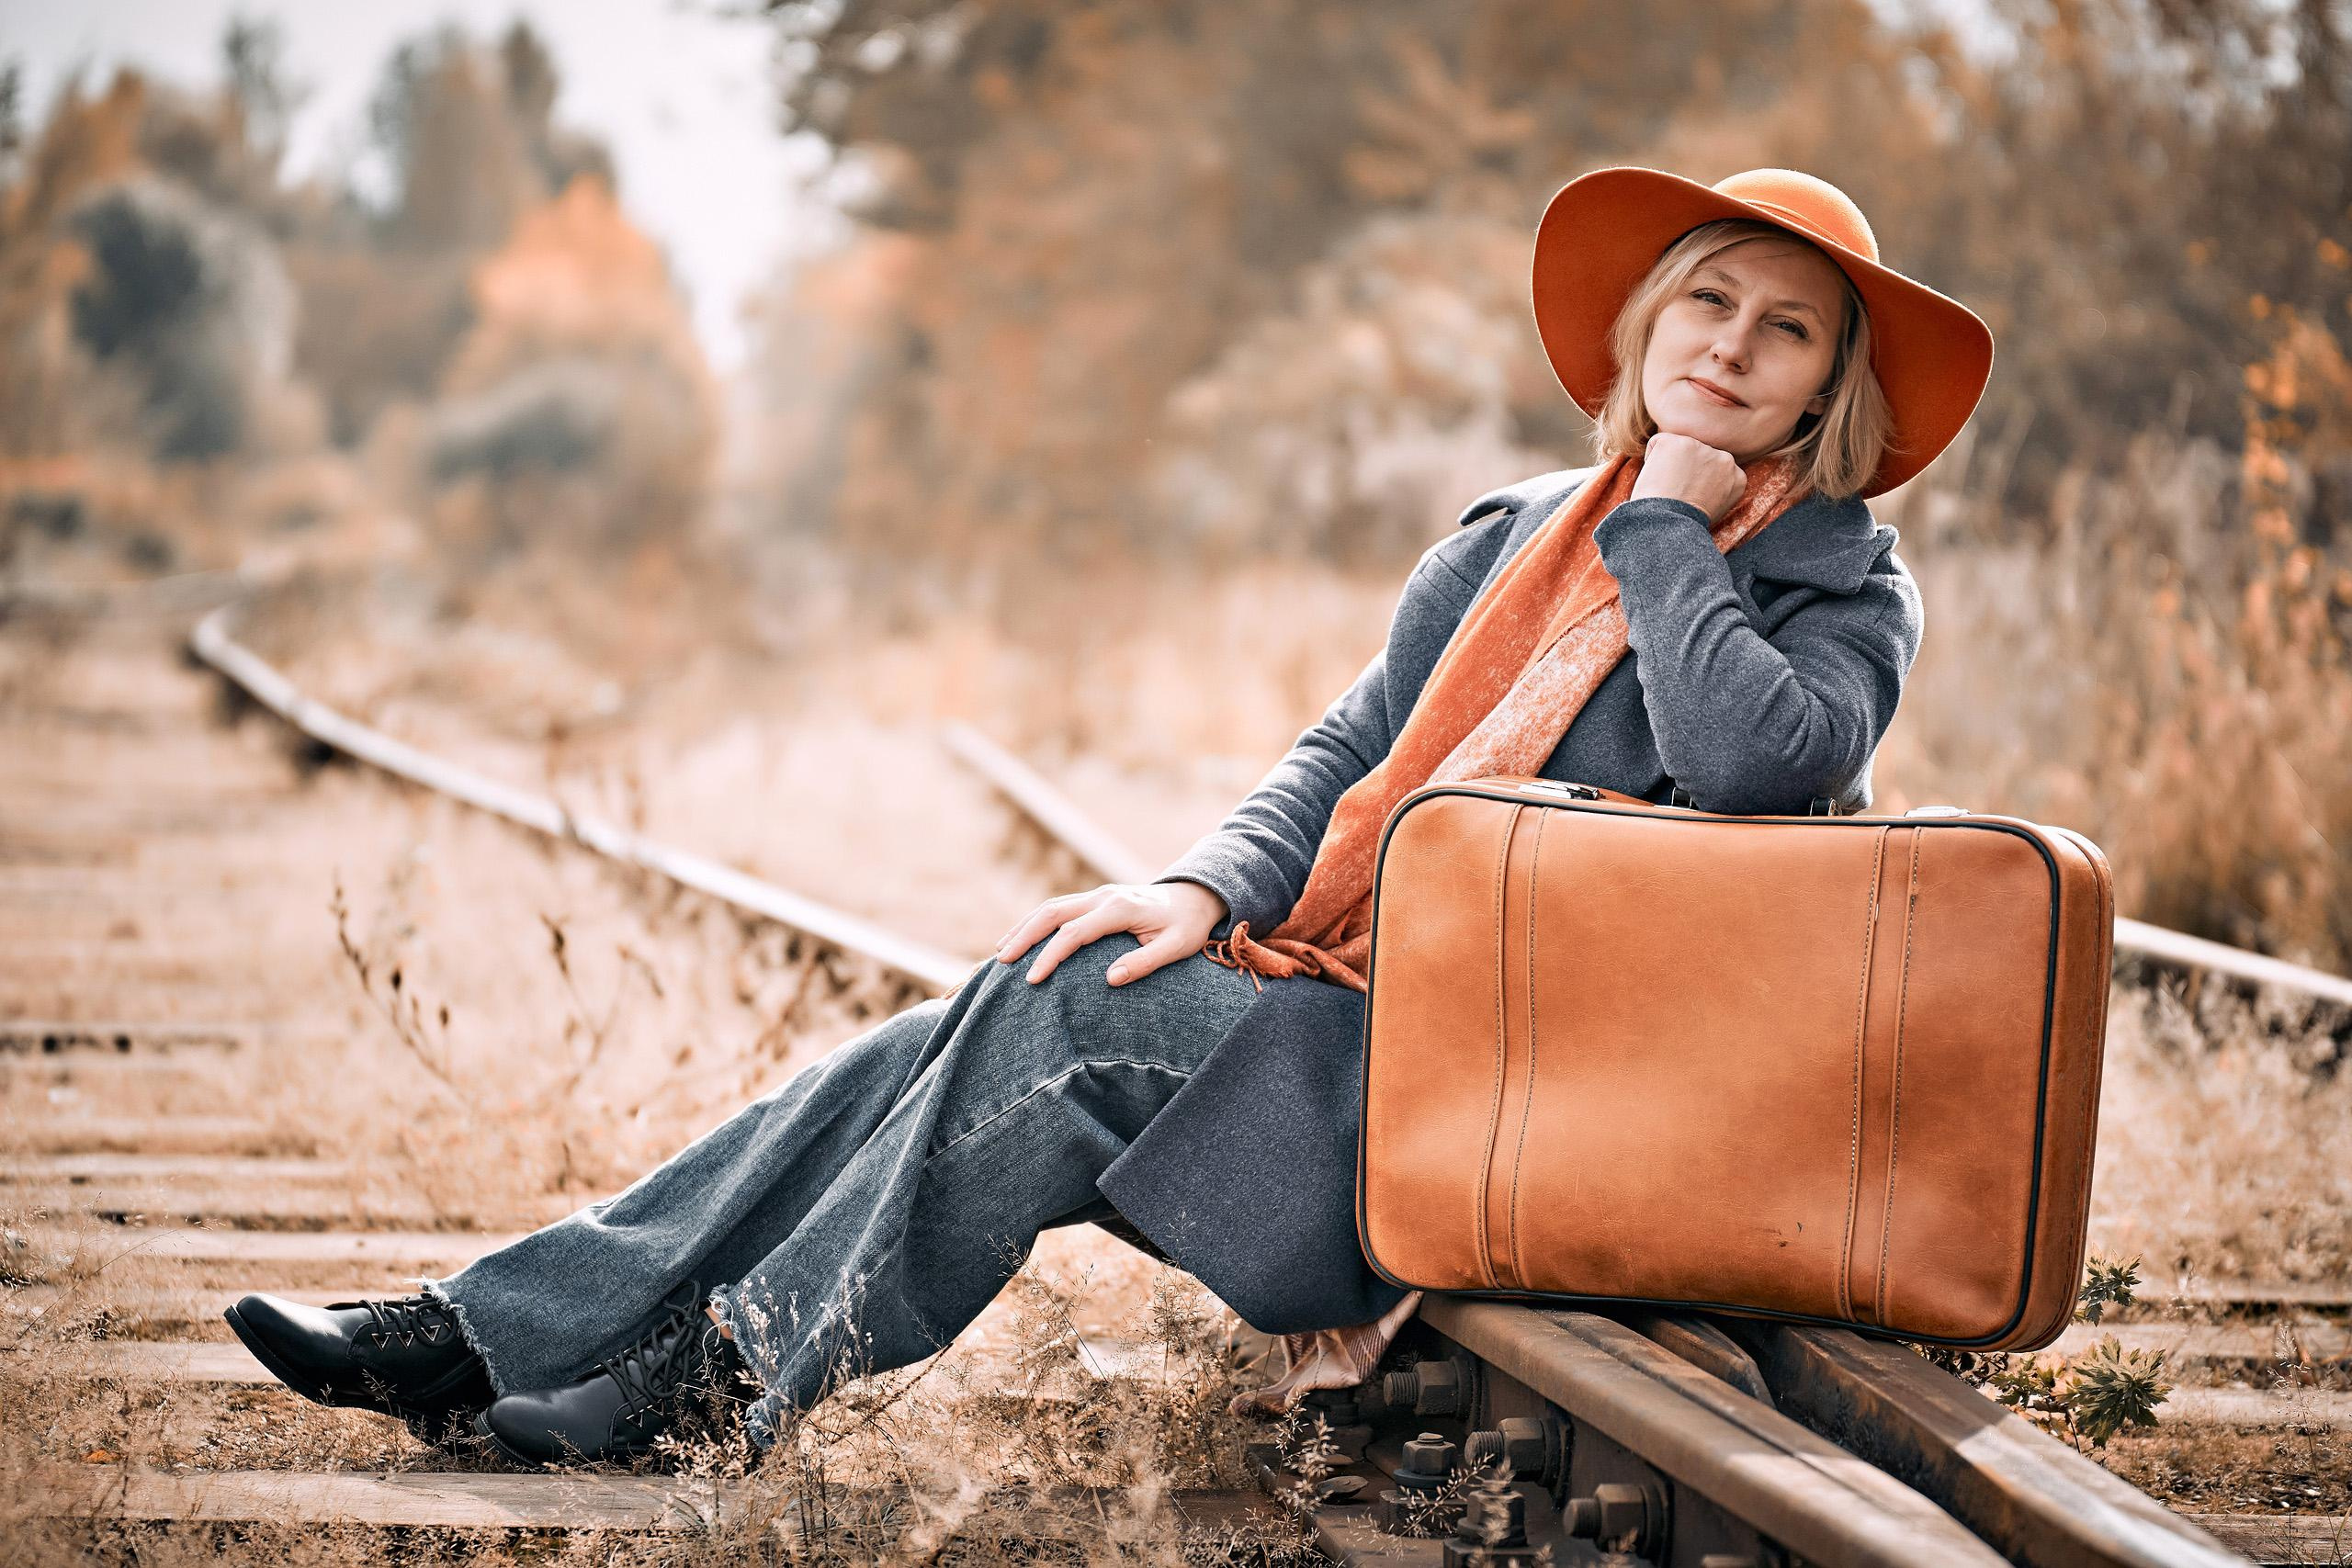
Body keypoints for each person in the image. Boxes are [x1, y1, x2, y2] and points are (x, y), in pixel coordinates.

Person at [223, 165, 1993, 1465]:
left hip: (1549, 1108)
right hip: (1390, 1030)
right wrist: (1201, 886)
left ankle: (683, 1382)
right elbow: (1350, 750)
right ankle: (492, 1334)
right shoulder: (1519, 532)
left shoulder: (1841, 588)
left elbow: (1758, 766)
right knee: (1016, 995)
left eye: (1786, 330)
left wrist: (1671, 526)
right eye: (1707, 303)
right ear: (1647, 322)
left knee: (1062, 1018)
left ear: (1827, 386)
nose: (1732, 347)